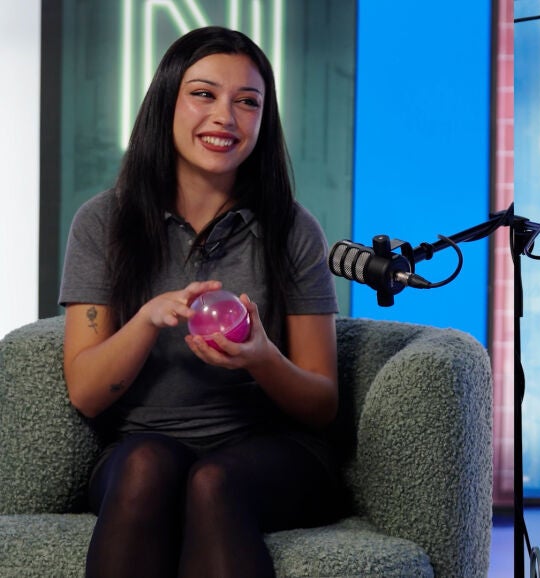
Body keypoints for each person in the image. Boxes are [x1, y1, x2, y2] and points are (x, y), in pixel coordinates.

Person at [60, 26, 345, 577]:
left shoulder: (292, 228)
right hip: (143, 446)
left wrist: (262, 358)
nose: (225, 117)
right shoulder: (103, 222)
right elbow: (87, 394)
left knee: (213, 481)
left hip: (271, 453)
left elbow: (322, 404)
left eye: (247, 102)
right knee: (145, 466)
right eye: (203, 94)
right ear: (167, 101)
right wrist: (146, 320)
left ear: (264, 120)